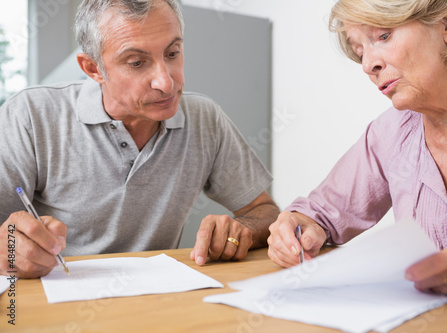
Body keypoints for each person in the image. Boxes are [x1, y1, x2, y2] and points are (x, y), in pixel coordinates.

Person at [0, 0, 279, 278]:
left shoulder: (205, 119)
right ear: (94, 69)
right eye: (136, 63)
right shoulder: (30, 115)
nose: (166, 83)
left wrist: (242, 229)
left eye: (173, 53)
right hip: (52, 300)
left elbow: (265, 212)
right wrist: (7, 248)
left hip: (154, 303)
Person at [267, 0, 447, 301]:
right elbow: (320, 214)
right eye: (360, 50)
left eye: (383, 36)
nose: (367, 65)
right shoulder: (394, 131)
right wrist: (297, 227)